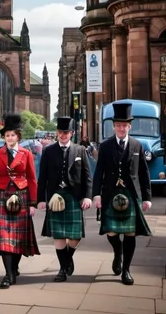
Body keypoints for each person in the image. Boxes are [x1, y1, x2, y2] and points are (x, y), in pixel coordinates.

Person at [92, 102, 152, 286]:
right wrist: (96, 195)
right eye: (118, 125)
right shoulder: (106, 145)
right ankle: (118, 252)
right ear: (114, 126)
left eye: (124, 125)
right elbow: (99, 172)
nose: (121, 128)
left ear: (129, 126)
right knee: (111, 233)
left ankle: (126, 270)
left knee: (130, 234)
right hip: (110, 193)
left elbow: (144, 173)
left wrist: (147, 197)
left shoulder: (137, 145)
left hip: (131, 193)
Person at [0, 113, 40, 288]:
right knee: (5, 238)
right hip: (2, 196)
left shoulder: (26, 154)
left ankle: (14, 268)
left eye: (13, 135)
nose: (10, 138)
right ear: (4, 137)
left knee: (18, 239)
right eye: (7, 135)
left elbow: (32, 179)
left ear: (18, 137)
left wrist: (33, 203)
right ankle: (8, 275)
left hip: (21, 196)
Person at [37, 117, 93, 282]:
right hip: (55, 196)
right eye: (60, 132)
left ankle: (67, 257)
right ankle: (63, 268)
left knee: (75, 236)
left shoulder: (80, 150)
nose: (63, 135)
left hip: (74, 196)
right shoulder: (48, 151)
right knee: (59, 235)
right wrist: (40, 199)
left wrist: (87, 197)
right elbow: (43, 178)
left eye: (66, 132)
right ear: (57, 133)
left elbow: (87, 176)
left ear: (72, 133)